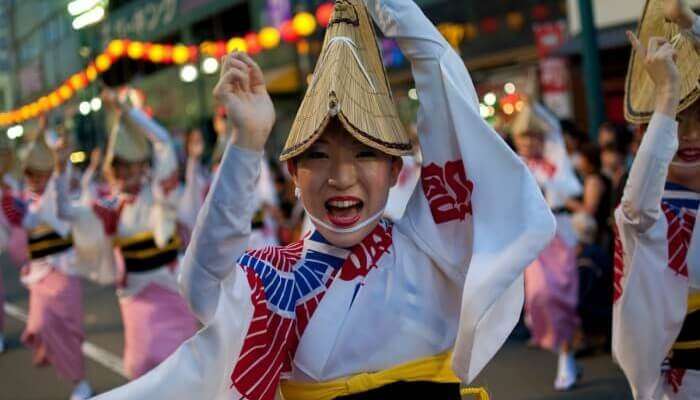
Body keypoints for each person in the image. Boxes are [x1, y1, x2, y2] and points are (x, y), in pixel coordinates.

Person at [93, 1, 555, 399]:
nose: (341, 176)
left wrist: (391, 8)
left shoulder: (432, 245)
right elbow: (202, 287)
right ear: (293, 172)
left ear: (396, 170)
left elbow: (446, 93)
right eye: (317, 155)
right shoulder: (275, 277)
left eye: (365, 153)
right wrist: (247, 143)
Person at [54, 89, 199, 379]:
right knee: (141, 368)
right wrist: (60, 169)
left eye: (130, 164)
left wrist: (128, 112)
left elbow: (163, 142)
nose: (124, 172)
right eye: (117, 166)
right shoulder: (111, 208)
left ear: (143, 166)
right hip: (135, 299)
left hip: (172, 291)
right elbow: (66, 212)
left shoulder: (159, 194)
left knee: (184, 369)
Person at [613, 0, 700, 398]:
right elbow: (635, 213)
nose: (693, 136)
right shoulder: (655, 208)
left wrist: (690, 23)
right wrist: (667, 92)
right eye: (680, 121)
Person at [13, 125, 92, 400]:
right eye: (31, 174)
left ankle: (79, 382)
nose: (35, 179)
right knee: (40, 324)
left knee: (70, 333)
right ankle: (48, 348)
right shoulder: (24, 202)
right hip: (39, 276)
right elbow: (19, 225)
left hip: (65, 274)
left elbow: (57, 186)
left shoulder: (56, 197)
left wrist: (57, 160)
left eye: (40, 173)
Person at [511, 101, 584, 390]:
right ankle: (565, 354)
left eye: (533, 136)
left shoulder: (556, 166)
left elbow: (568, 191)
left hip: (562, 236)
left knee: (564, 298)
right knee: (540, 296)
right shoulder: (514, 166)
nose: (529, 142)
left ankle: (566, 357)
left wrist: (534, 108)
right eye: (523, 137)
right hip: (534, 241)